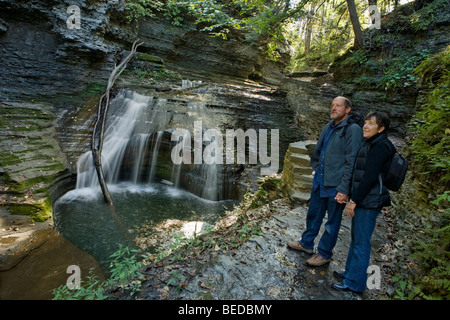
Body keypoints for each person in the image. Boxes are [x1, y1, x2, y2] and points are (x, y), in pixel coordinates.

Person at [287, 96, 363, 267]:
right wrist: (316, 168)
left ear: (347, 109)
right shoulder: (328, 127)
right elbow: (318, 151)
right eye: (332, 105)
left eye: (338, 106)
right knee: (313, 215)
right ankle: (306, 244)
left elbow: (353, 161)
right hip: (320, 181)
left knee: (332, 222)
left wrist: (345, 188)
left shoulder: (353, 130)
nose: (334, 108)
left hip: (337, 185)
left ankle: (324, 253)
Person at [331, 111, 396, 293]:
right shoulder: (371, 142)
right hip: (366, 199)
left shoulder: (381, 146)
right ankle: (350, 274)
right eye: (365, 123)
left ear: (381, 129)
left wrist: (354, 201)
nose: (365, 126)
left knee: (361, 242)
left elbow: (368, 177)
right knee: (356, 239)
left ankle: (355, 283)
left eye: (371, 124)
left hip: (369, 201)